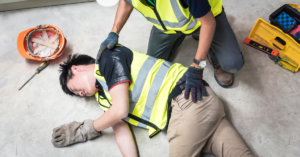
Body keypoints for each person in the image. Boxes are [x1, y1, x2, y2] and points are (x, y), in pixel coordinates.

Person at [51, 45, 255, 157]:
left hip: (188, 99)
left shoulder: (108, 57)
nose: (79, 93)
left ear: (76, 68)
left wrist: (86, 130)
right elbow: (121, 129)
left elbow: (120, 110)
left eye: (73, 88)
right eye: (76, 94)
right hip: (196, 115)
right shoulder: (105, 101)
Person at [99, 0, 244, 99]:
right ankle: (184, 33)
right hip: (168, 28)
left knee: (233, 63)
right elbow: (127, 1)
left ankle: (210, 49)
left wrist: (197, 66)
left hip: (206, 19)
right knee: (152, 66)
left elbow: (208, 23)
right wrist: (114, 32)